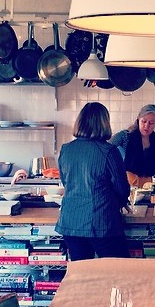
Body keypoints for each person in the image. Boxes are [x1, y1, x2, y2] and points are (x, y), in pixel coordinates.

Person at [56, 102, 130, 260]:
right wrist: (122, 202)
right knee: (120, 270)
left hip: (71, 222)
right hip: (101, 223)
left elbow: (66, 182)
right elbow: (122, 188)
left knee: (81, 272)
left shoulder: (66, 149)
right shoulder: (109, 151)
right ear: (104, 123)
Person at [111, 103, 155, 187]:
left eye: (151, 123)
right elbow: (106, 150)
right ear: (138, 119)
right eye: (144, 121)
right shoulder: (124, 137)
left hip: (147, 190)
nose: (146, 126)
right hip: (125, 188)